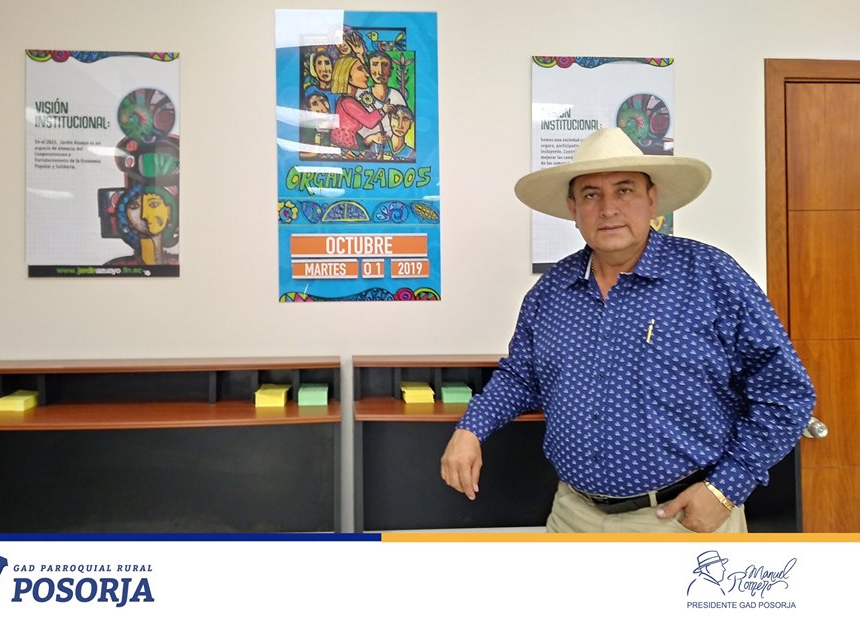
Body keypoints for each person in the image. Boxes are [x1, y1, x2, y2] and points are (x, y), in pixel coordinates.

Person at [439, 127, 816, 533]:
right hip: (573, 517)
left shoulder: (711, 277)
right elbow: (520, 377)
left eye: (624, 190)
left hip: (683, 519)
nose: (608, 209)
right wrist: (470, 429)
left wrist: (726, 488)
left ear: (652, 199)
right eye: (591, 195)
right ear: (573, 208)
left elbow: (787, 393)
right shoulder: (549, 294)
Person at [329, 56, 395, 153]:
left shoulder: (348, 99)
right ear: (349, 77)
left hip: (350, 144)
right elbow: (369, 121)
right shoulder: (347, 102)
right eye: (360, 69)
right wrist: (383, 110)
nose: (367, 74)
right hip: (347, 148)